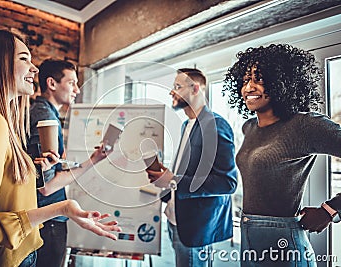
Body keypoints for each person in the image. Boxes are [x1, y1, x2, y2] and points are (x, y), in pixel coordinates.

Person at [0, 28, 121, 267]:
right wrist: (63, 208)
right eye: (24, 59)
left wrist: (34, 170)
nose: (34, 68)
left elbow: (1, 186)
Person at [222, 43, 341, 266]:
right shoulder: (249, 127)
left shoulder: (304, 125)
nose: (249, 87)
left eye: (259, 79)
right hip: (249, 237)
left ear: (282, 81)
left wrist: (331, 210)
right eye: (246, 80)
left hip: (284, 242)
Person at [146, 68, 238, 267]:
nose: (172, 92)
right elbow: (188, 171)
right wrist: (165, 184)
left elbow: (227, 182)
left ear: (195, 88)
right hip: (175, 218)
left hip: (196, 225)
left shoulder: (215, 125)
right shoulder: (186, 125)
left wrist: (173, 180)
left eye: (177, 87)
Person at [28, 59, 111, 267]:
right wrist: (93, 161)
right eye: (71, 82)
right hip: (49, 220)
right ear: (52, 84)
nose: (76, 89)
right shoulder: (45, 117)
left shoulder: (45, 112)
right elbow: (46, 186)